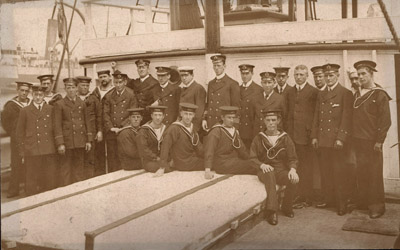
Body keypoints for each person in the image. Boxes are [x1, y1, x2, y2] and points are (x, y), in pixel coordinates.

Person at [311, 63, 353, 215]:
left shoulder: (345, 93)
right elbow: (317, 116)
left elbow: (346, 118)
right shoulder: (321, 94)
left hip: (336, 141)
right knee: (326, 171)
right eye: (326, 75)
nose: (328, 78)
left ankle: (342, 204)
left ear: (337, 76)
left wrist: (341, 138)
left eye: (331, 75)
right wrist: (314, 136)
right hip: (323, 140)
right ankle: (329, 200)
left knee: (339, 173)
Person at [352, 60, 391, 219]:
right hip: (358, 140)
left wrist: (379, 141)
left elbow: (385, 121)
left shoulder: (379, 94)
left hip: (372, 142)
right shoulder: (357, 93)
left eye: (363, 74)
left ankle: (377, 206)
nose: (360, 77)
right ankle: (364, 202)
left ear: (371, 74)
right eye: (358, 74)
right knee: (362, 172)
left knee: (374, 173)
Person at [249, 109, 299, 225]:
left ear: (278, 121)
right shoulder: (258, 138)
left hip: (280, 170)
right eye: (268, 120)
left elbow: (293, 158)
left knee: (293, 179)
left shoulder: (285, 138)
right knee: (270, 173)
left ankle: (287, 207)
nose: (271, 123)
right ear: (264, 122)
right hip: (265, 171)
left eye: (273, 120)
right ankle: (271, 211)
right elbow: (252, 158)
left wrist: (293, 169)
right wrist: (261, 165)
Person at [286, 65, 318, 208]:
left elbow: (316, 116)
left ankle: (307, 197)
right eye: (296, 74)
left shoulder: (313, 92)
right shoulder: (290, 92)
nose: (299, 77)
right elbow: (287, 114)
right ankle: (296, 195)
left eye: (301, 75)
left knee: (306, 167)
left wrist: (312, 135)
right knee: (294, 166)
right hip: (292, 135)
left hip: (305, 137)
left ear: (307, 76)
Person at [16, 85, 57, 196]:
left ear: (44, 96)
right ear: (32, 95)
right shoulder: (25, 111)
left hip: (48, 148)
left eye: (40, 95)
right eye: (35, 95)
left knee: (49, 176)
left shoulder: (51, 109)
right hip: (32, 149)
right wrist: (22, 151)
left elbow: (55, 129)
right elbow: (20, 133)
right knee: (31, 177)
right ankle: (31, 198)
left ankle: (50, 198)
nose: (38, 97)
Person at [54, 78, 94, 186]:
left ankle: (78, 190)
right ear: (65, 89)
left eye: (73, 87)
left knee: (79, 168)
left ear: (77, 88)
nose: (71, 90)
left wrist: (88, 140)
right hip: (67, 142)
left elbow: (87, 122)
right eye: (68, 87)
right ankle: (65, 191)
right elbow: (57, 125)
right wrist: (60, 143)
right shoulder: (60, 104)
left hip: (80, 141)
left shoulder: (82, 103)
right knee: (65, 169)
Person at [103, 70, 137, 172]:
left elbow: (133, 113)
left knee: (124, 156)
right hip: (112, 131)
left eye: (120, 82)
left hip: (125, 130)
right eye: (116, 82)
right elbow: (105, 113)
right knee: (112, 158)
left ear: (125, 82)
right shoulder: (109, 95)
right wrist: (111, 127)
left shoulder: (131, 94)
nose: (118, 85)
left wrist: (122, 127)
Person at [2, 81, 32, 198]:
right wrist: (14, 133)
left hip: (30, 138)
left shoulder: (31, 103)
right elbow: (5, 123)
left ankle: (29, 187)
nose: (24, 93)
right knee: (16, 163)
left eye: (26, 91)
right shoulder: (10, 106)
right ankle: (13, 190)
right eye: (22, 90)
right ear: (18, 91)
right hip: (17, 139)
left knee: (31, 162)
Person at [157, 103, 204, 177]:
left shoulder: (192, 128)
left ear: (194, 115)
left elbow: (199, 147)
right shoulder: (174, 128)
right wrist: (162, 167)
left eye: (190, 114)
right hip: (183, 162)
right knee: (213, 163)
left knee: (212, 160)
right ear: (181, 113)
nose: (188, 117)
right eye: (186, 114)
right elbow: (165, 146)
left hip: (191, 159)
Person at [202, 54, 240, 132]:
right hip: (211, 122)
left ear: (224, 66)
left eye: (219, 65)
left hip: (224, 123)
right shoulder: (211, 83)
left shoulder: (232, 83)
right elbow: (208, 104)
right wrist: (204, 119)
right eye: (214, 65)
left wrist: (235, 126)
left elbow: (236, 107)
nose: (216, 68)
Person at [76, 76, 102, 179]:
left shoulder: (93, 99)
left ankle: (90, 179)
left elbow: (99, 116)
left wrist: (99, 131)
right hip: (78, 133)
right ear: (77, 86)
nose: (85, 88)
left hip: (91, 132)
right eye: (82, 85)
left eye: (87, 85)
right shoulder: (75, 98)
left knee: (91, 158)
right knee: (79, 158)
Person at [91, 69, 114, 176]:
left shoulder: (113, 91)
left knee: (111, 152)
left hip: (110, 126)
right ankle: (100, 175)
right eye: (100, 77)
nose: (103, 79)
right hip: (98, 127)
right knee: (99, 152)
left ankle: (112, 174)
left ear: (109, 78)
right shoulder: (95, 92)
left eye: (105, 76)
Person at [137, 106, 169, 173]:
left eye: (160, 115)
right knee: (165, 167)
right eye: (155, 115)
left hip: (164, 159)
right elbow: (143, 149)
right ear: (151, 116)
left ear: (163, 116)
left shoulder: (166, 129)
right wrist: (156, 158)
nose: (158, 118)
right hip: (150, 160)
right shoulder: (144, 130)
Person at [252, 72, 285, 137]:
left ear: (274, 83)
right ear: (261, 83)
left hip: (272, 134)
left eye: (269, 82)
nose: (267, 85)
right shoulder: (255, 98)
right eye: (264, 82)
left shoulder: (280, 99)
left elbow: (283, 118)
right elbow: (252, 117)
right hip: (258, 133)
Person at [238, 64, 263, 149]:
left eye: (247, 73)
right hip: (239, 128)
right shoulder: (237, 89)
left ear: (252, 74)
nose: (244, 76)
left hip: (251, 129)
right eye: (242, 73)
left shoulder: (258, 89)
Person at [127, 59, 158, 124]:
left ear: (148, 69)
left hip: (148, 116)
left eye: (143, 67)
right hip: (136, 117)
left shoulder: (154, 83)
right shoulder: (135, 82)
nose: (141, 69)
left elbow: (156, 102)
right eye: (139, 67)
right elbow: (123, 80)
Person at [178, 66, 206, 132]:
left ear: (192, 75)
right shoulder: (182, 89)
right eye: (182, 76)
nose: (184, 78)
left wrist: (194, 129)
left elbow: (199, 111)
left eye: (186, 75)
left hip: (192, 127)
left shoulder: (198, 88)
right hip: (183, 124)